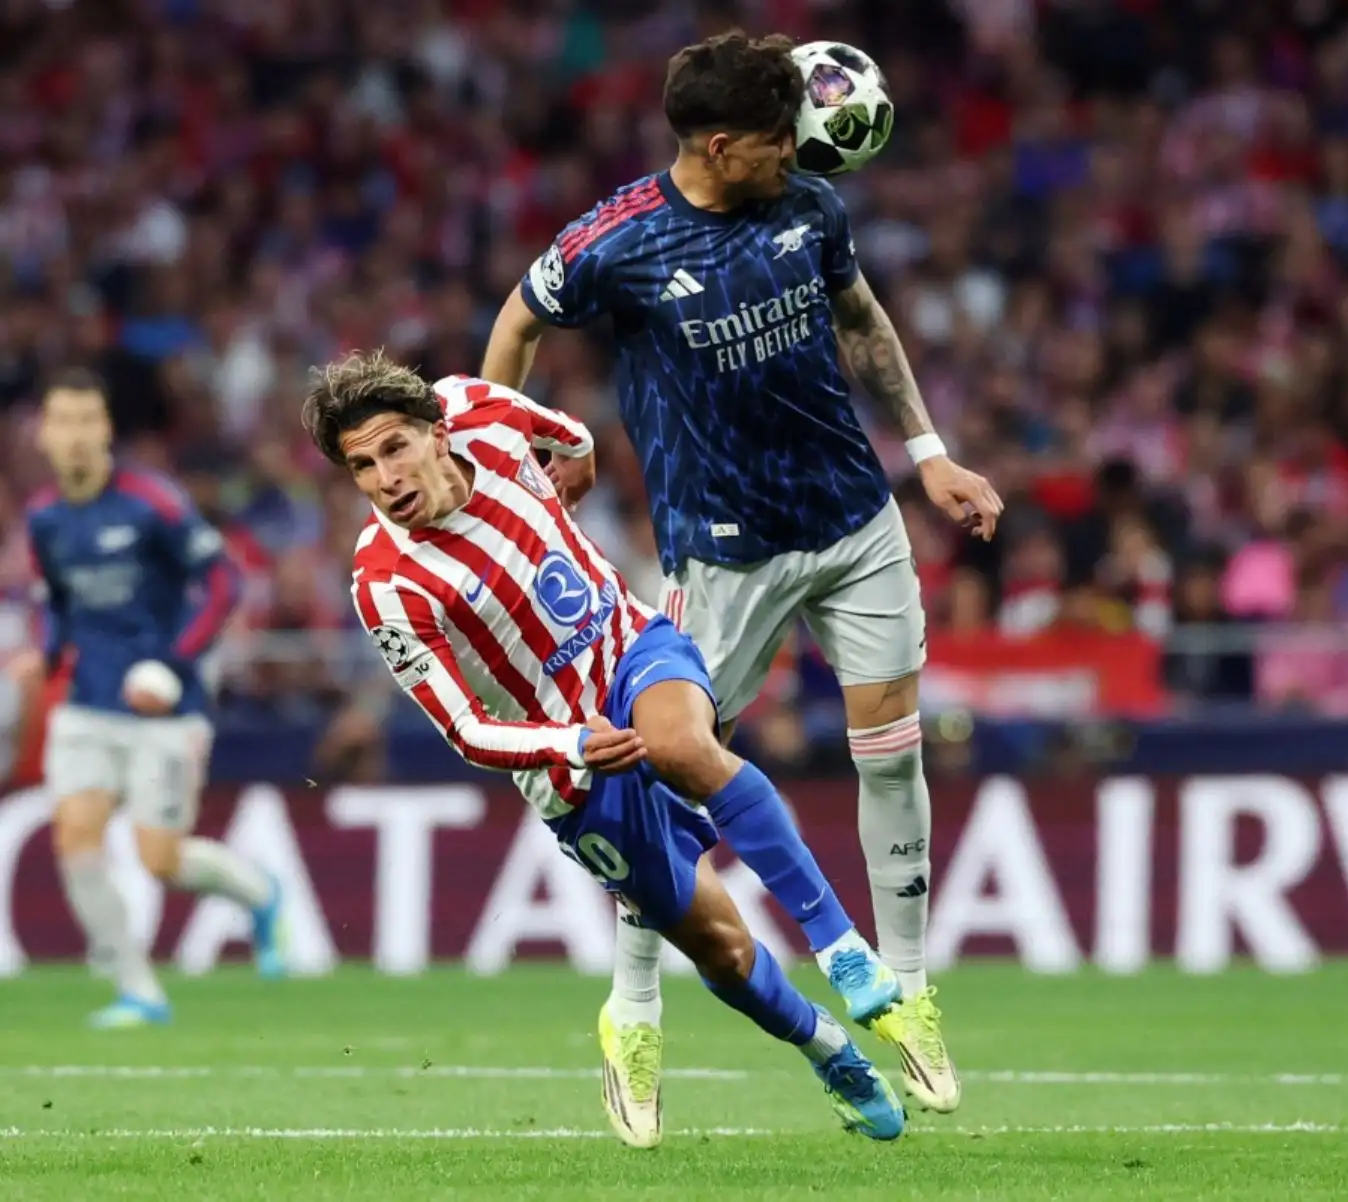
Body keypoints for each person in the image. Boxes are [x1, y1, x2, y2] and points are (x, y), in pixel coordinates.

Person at [482, 31, 995, 1114]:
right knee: (664, 773)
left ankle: (908, 989)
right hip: (722, 555)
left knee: (891, 753)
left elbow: (861, 320)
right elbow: (518, 322)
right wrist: (516, 447)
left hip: (857, 524)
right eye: (775, 142)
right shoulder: (616, 240)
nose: (799, 155)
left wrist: (931, 452)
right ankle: (633, 1009)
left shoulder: (812, 209)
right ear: (718, 145)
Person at [302, 354, 906, 1147]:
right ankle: (826, 1048)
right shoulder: (387, 583)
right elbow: (463, 730)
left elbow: (574, 436)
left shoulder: (477, 405)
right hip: (572, 765)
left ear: (437, 431)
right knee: (722, 950)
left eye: (395, 448)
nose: (384, 477)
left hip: (630, 648)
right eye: (362, 466)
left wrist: (576, 471)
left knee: (684, 745)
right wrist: (571, 742)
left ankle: (842, 947)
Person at [16, 368, 282, 1028]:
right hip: (86, 706)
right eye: (63, 422)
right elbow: (55, 601)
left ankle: (260, 892)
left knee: (158, 859)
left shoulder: (151, 503)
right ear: (43, 435)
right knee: (74, 837)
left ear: (105, 430)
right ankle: (139, 990)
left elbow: (223, 583)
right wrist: (45, 654)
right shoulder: (45, 518)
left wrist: (172, 663)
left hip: (166, 710)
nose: (75, 436)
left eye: (87, 421)